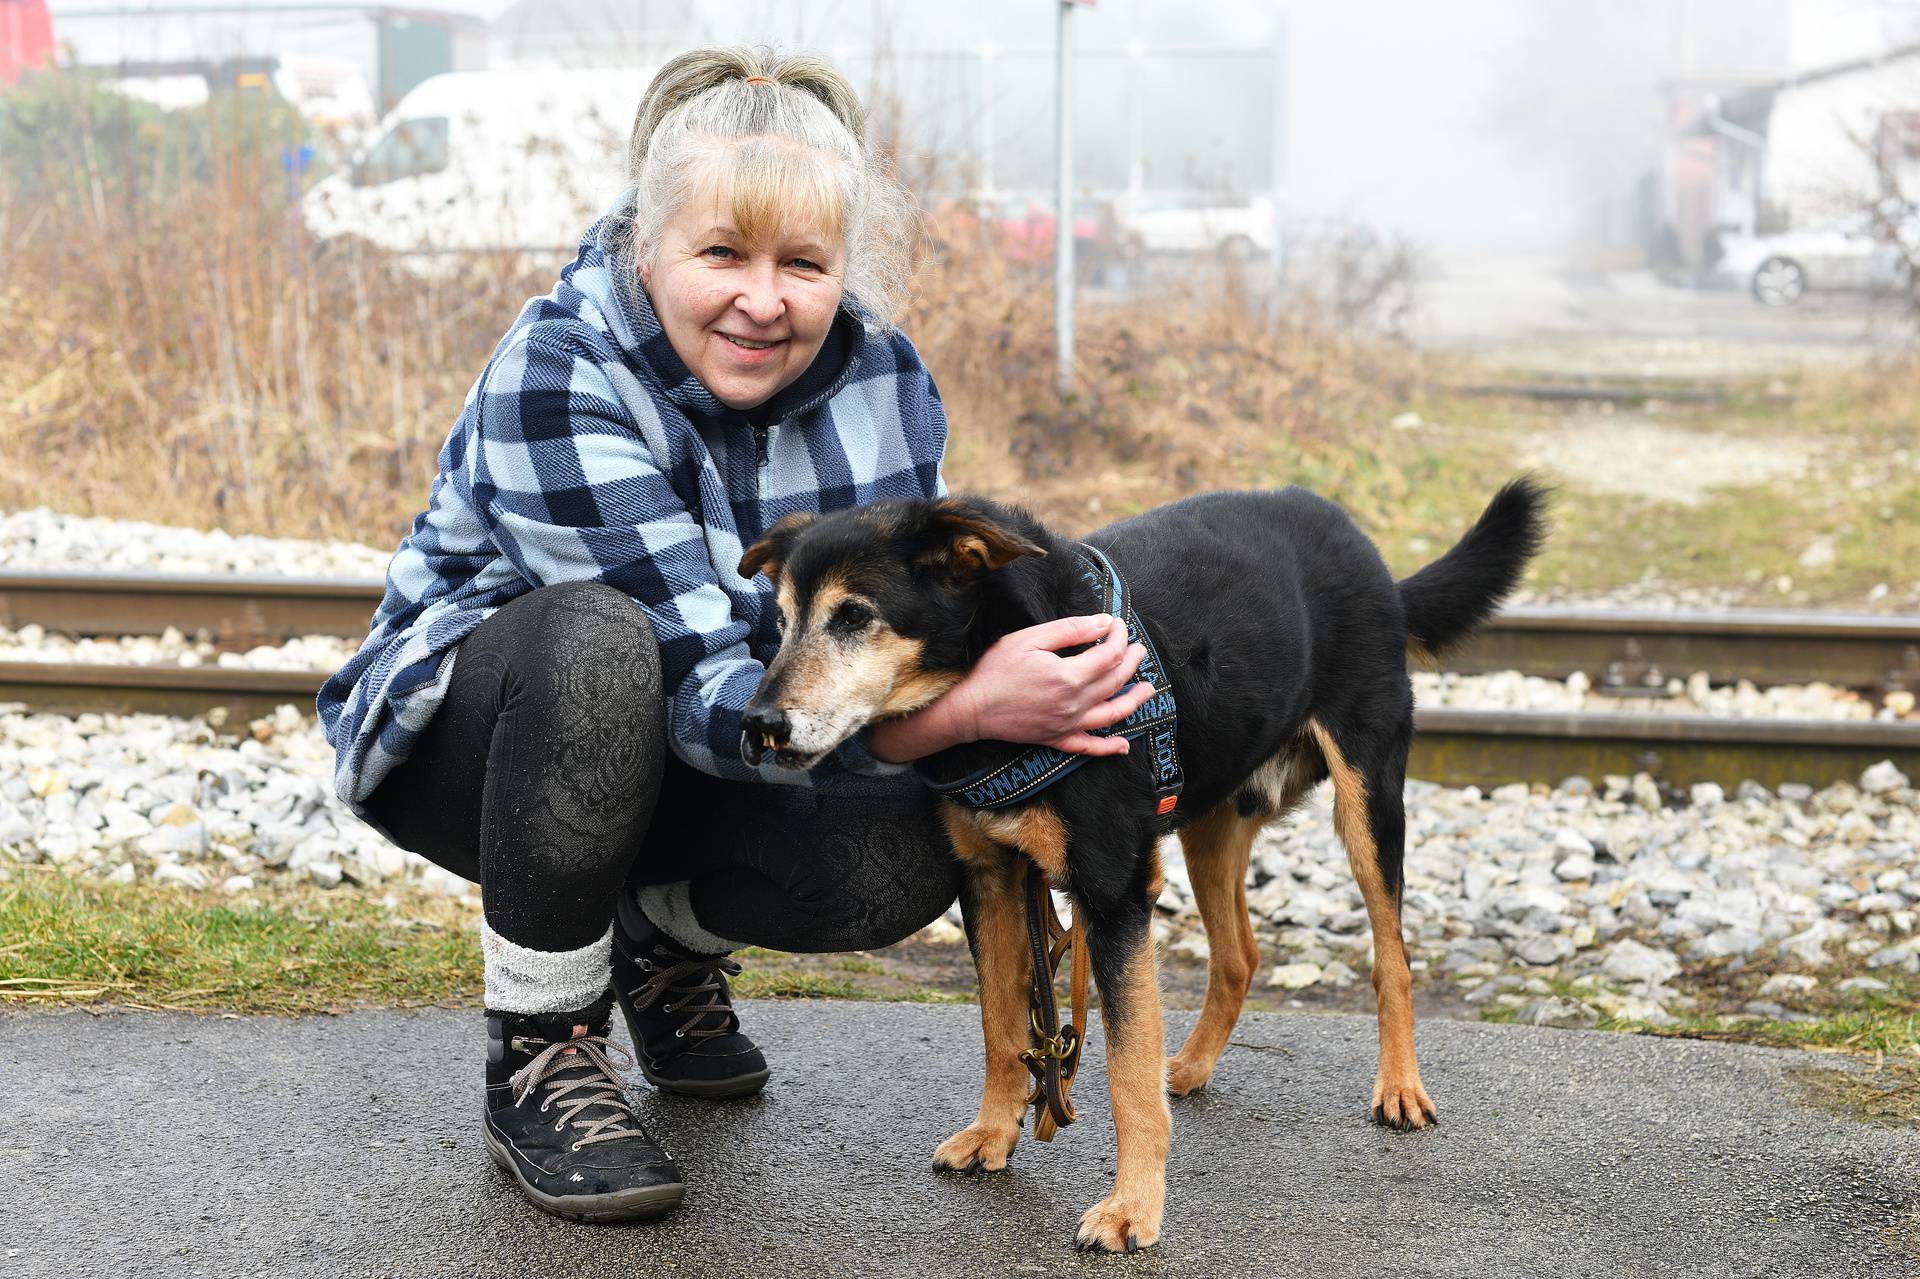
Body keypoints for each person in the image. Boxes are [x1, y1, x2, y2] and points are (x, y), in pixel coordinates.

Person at [318, 46, 1156, 1222]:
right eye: (722, 253)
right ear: (645, 244)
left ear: (841, 269)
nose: (764, 299)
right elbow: (695, 678)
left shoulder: (886, 380)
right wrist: (966, 710)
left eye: (802, 264)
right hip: (491, 741)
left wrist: (1016, 714)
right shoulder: (556, 375)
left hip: (722, 737)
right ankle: (545, 1042)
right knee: (602, 648)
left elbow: (894, 643)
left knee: (930, 836)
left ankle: (658, 939)